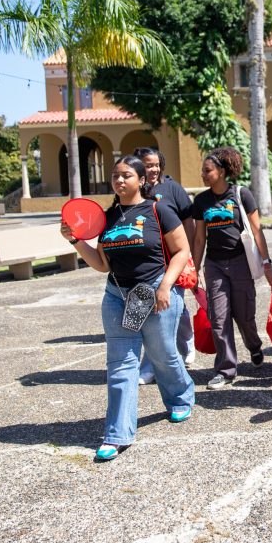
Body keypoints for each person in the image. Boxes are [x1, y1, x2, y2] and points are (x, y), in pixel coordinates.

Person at [60, 155, 194, 461]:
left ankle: (181, 396)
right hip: (117, 296)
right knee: (121, 365)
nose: (119, 181)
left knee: (163, 356)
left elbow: (181, 250)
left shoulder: (159, 210)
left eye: (126, 176)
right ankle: (117, 434)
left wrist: (165, 287)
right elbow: (101, 263)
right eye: (115, 176)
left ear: (141, 180)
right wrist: (76, 242)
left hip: (155, 293)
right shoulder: (108, 218)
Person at [191, 147, 272, 390]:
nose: (203, 175)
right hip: (214, 264)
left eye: (207, 170)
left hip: (241, 262)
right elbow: (199, 239)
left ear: (222, 171)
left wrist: (267, 264)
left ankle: (254, 346)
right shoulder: (201, 201)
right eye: (203, 171)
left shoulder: (241, 194)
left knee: (244, 314)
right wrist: (195, 269)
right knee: (219, 318)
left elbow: (257, 231)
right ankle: (226, 369)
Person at [134, 147, 197, 380]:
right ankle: (150, 365)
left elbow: (188, 220)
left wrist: (188, 252)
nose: (153, 169)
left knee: (175, 308)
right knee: (151, 312)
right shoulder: (136, 189)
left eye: (156, 164)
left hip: (172, 259)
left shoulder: (172, 188)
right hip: (145, 260)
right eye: (148, 165)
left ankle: (186, 343)